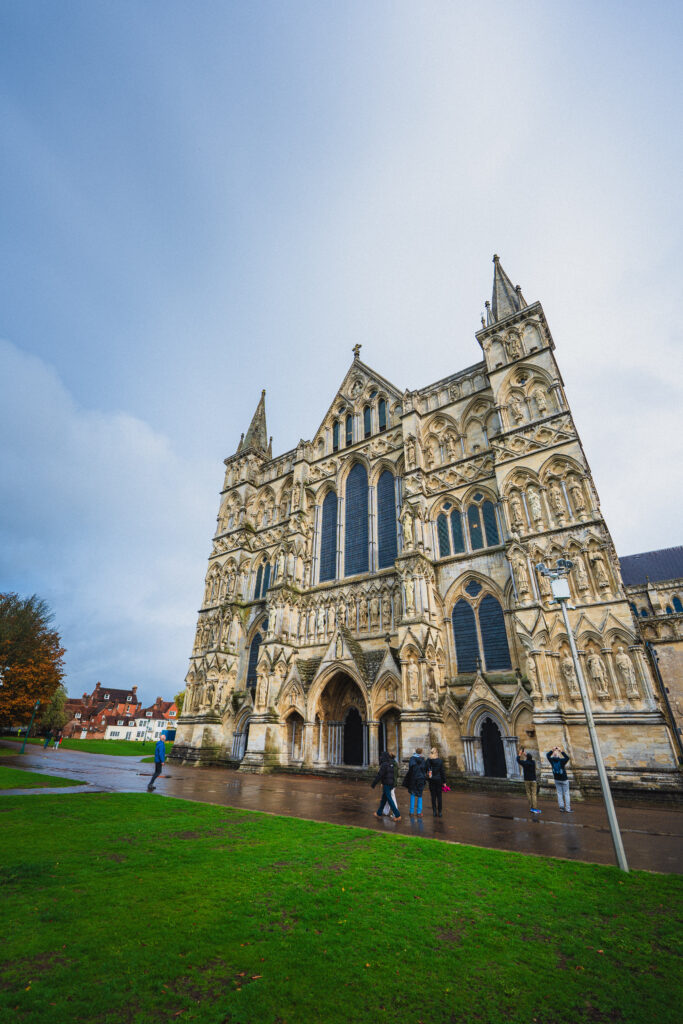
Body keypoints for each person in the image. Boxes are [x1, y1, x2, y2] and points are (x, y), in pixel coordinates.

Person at [371, 750, 401, 821]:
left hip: (387, 784)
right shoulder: (391, 763)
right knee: (384, 799)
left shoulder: (384, 764)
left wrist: (374, 784)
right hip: (390, 783)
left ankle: (397, 815)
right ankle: (379, 813)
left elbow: (380, 775)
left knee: (390, 800)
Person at [516, 747, 541, 814]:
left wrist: (520, 754)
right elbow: (529, 757)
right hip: (533, 780)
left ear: (526, 757)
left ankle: (531, 808)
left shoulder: (525, 763)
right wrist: (525, 754)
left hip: (527, 780)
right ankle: (535, 808)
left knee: (528, 794)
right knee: (534, 794)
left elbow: (518, 760)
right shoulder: (533, 762)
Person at [546, 745, 571, 812]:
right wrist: (561, 751)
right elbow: (567, 758)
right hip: (564, 779)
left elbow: (547, 755)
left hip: (557, 779)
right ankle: (568, 809)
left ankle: (561, 807)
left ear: (553, 755)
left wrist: (552, 750)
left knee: (559, 793)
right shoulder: (562, 761)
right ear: (558, 755)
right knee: (566, 794)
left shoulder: (551, 760)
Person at [404, 747, 427, 817]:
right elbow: (424, 770)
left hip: (414, 779)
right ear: (421, 752)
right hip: (420, 779)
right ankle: (419, 812)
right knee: (420, 795)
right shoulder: (423, 760)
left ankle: (411, 812)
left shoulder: (412, 759)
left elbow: (410, 769)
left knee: (413, 794)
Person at [425, 746, 446, 817]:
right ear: (436, 753)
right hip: (439, 780)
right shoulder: (440, 761)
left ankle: (434, 811)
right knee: (439, 796)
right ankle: (440, 812)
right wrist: (444, 782)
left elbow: (426, 769)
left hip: (431, 780)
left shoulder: (428, 760)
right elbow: (442, 772)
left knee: (433, 796)